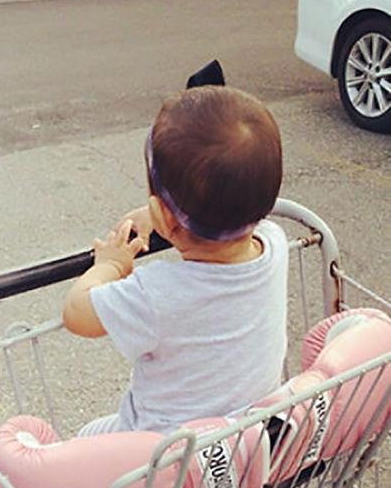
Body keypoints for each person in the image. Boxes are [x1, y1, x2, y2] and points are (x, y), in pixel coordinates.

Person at [62, 85, 289, 435]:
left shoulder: (159, 293)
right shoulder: (274, 243)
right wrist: (162, 216)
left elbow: (77, 315)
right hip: (240, 443)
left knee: (82, 440)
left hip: (161, 462)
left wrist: (110, 264)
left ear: (162, 215)